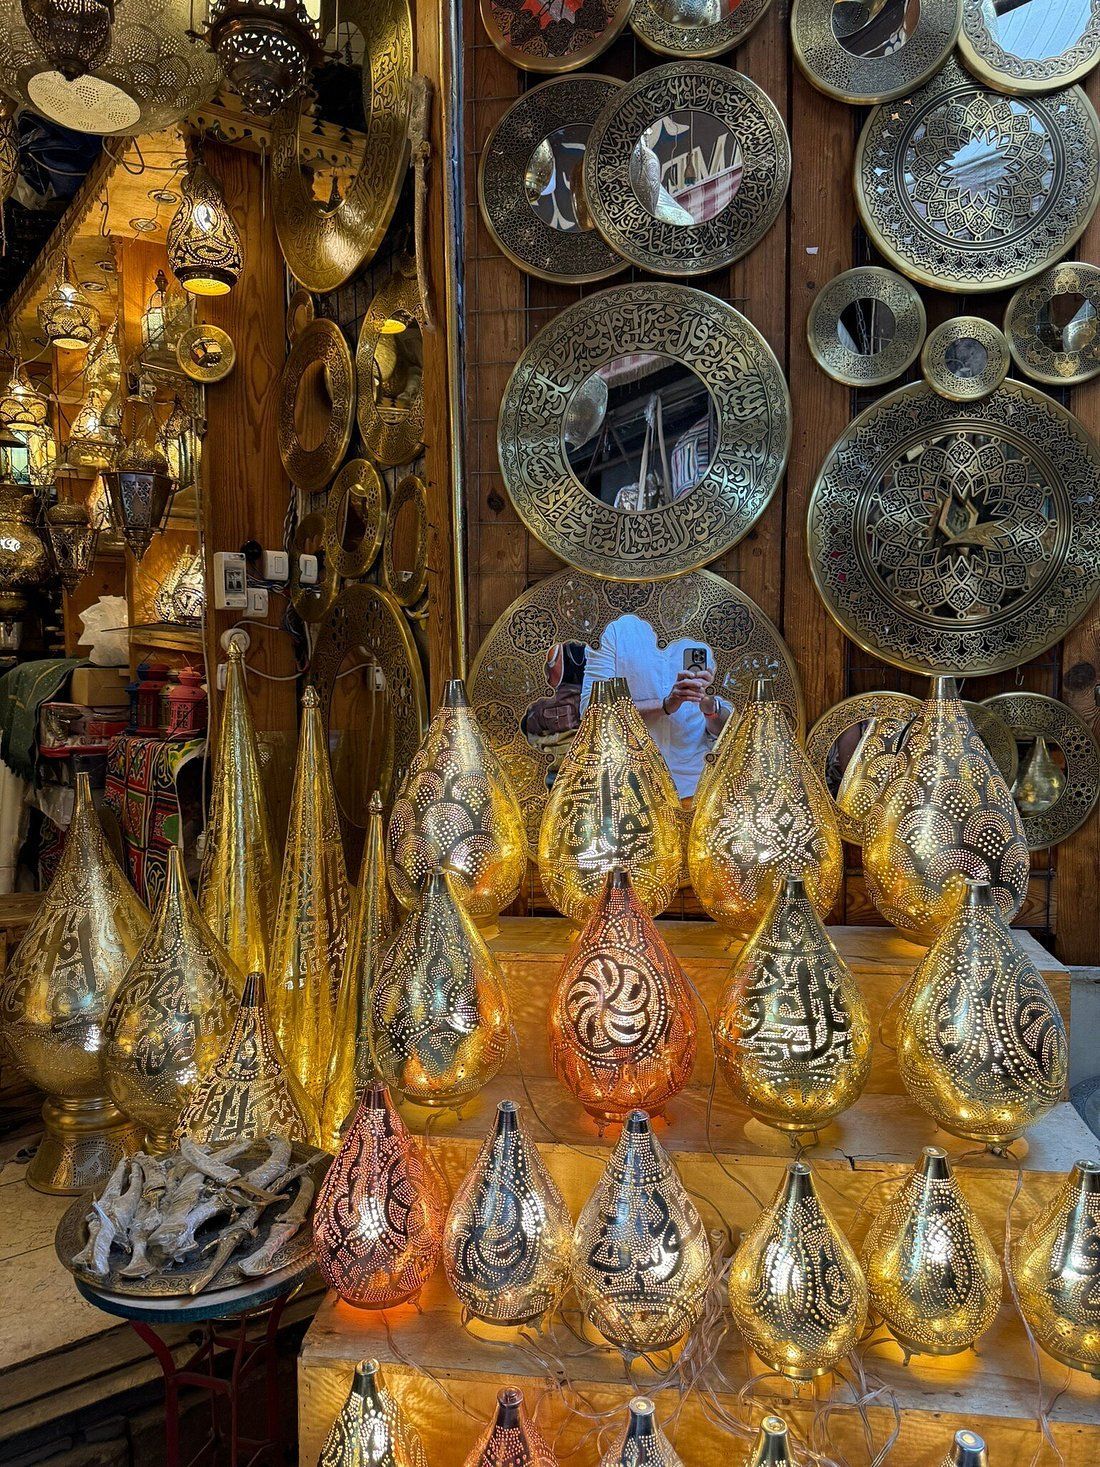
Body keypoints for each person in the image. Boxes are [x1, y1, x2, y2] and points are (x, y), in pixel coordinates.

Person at [579, 614, 731, 798]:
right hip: (630, 786)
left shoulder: (711, 626)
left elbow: (728, 730)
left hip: (697, 785)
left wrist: (710, 707)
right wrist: (665, 705)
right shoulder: (615, 628)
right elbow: (591, 711)